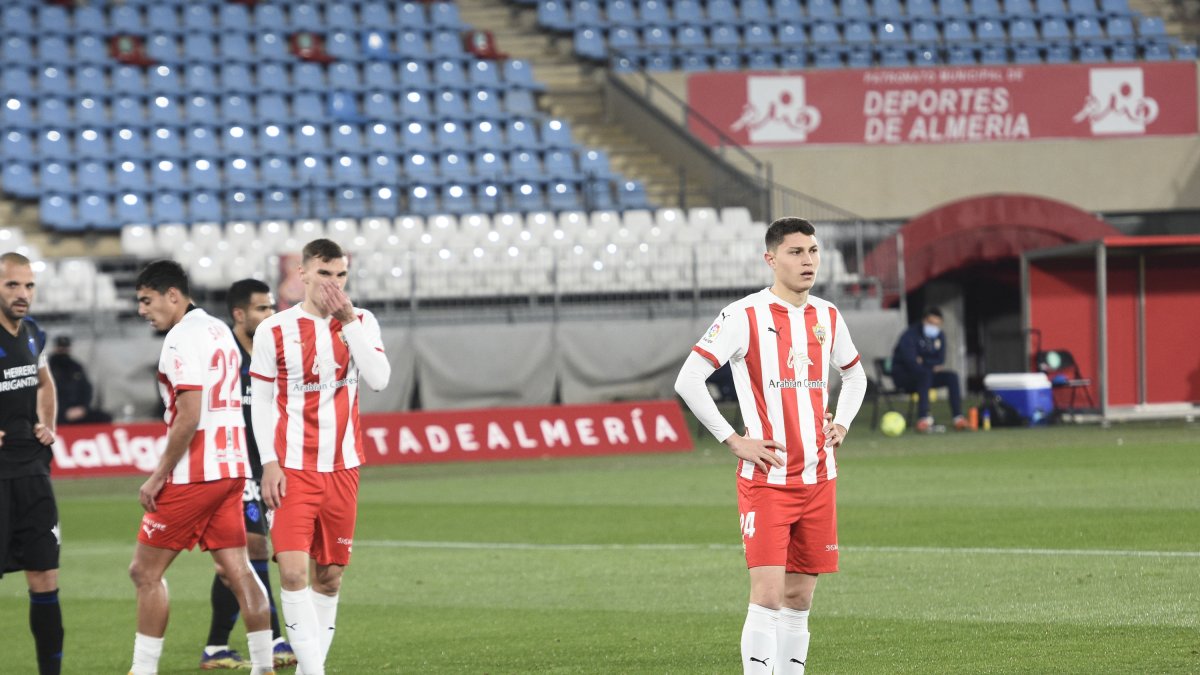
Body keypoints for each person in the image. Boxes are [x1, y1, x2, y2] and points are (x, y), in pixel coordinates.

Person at [674, 218, 867, 675]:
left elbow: (854, 374)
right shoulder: (744, 316)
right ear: (771, 259)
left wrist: (841, 423)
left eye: (813, 251)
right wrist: (733, 438)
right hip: (768, 482)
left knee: (799, 598)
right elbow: (689, 379)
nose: (808, 261)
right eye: (796, 252)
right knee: (767, 594)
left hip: (820, 479)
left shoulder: (827, 315)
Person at [126, 260, 276, 675]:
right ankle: (264, 667)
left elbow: (189, 415)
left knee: (144, 571)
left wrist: (158, 475)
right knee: (239, 569)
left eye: (146, 300)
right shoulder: (218, 331)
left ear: (172, 295)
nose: (142, 309)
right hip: (232, 470)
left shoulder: (179, 340)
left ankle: (142, 671)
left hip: (195, 473)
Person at [250, 239, 390, 675]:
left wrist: (349, 323)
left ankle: (312, 666)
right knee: (292, 573)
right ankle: (314, 672)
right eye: (325, 273)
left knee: (328, 578)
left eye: (341, 275)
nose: (334, 283)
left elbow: (380, 379)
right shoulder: (273, 329)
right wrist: (269, 462)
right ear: (303, 274)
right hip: (292, 468)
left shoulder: (363, 320)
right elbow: (262, 402)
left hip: (343, 467)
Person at [199, 279, 296, 670]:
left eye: (272, 307)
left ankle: (216, 647)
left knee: (233, 564)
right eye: (261, 309)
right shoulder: (224, 355)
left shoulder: (273, 353)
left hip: (267, 467)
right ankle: (272, 637)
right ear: (239, 314)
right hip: (233, 468)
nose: (270, 315)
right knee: (254, 549)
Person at [0, 252, 64, 675]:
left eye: (28, 286)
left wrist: (48, 423)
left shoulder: (33, 333)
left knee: (45, 579)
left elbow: (44, 381)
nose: (23, 294)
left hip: (33, 472)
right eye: (12, 285)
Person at [889, 307, 968, 432]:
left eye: (937, 324)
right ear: (924, 321)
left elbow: (940, 360)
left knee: (952, 377)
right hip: (905, 377)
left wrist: (923, 360)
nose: (934, 327)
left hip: (926, 375)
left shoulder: (939, 336)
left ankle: (958, 417)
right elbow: (911, 362)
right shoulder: (910, 335)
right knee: (924, 375)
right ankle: (924, 419)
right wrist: (929, 364)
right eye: (931, 323)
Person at [47, 335, 112, 426]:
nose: (63, 350)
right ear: (56, 348)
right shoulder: (47, 368)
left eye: (65, 347)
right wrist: (63, 412)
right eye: (60, 347)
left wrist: (83, 408)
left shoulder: (76, 367)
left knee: (104, 417)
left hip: (78, 410)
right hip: (56, 412)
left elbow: (86, 389)